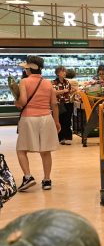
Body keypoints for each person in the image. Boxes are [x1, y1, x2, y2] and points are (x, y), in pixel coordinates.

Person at [14, 56, 61, 192]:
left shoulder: (24, 81)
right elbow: (54, 104)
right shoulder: (48, 83)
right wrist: (56, 121)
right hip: (46, 118)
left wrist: (15, 102)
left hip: (29, 118)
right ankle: (47, 180)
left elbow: (22, 101)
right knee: (45, 151)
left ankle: (28, 177)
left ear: (29, 69)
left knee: (21, 149)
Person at [52, 65, 74, 145]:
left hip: (68, 103)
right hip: (59, 104)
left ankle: (65, 138)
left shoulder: (67, 82)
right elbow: (53, 92)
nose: (64, 73)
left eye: (65, 71)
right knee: (59, 120)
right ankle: (59, 138)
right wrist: (63, 91)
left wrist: (72, 91)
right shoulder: (54, 82)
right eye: (62, 71)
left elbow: (69, 91)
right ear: (57, 73)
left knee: (67, 121)